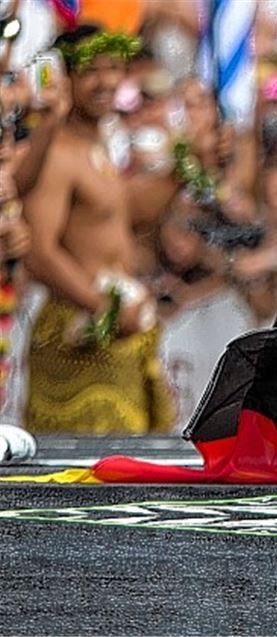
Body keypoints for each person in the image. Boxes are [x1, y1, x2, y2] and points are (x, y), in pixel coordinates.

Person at [23, 25, 180, 434]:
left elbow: (124, 215)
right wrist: (104, 308)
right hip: (77, 330)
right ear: (64, 79)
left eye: (113, 68)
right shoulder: (57, 153)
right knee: (85, 483)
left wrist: (182, 170)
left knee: (130, 474)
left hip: (112, 328)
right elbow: (38, 252)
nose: (106, 80)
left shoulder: (99, 146)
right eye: (91, 70)